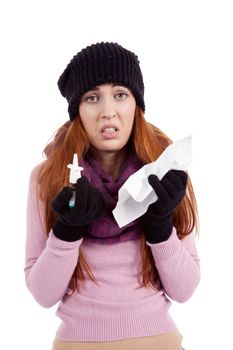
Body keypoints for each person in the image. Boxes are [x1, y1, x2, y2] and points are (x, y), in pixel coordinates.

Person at [24, 41, 200, 350]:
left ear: (136, 104)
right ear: (77, 110)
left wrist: (159, 227)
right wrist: (67, 230)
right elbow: (43, 294)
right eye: (92, 98)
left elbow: (184, 289)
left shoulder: (163, 175)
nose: (108, 111)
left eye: (120, 95)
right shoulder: (48, 178)